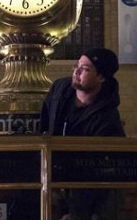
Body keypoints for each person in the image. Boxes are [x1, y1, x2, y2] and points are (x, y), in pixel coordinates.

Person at [40, 47, 125, 219]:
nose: (76, 72)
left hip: (80, 195)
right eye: (76, 65)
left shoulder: (107, 119)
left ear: (101, 77)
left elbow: (99, 173)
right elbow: (44, 125)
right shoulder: (59, 90)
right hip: (49, 181)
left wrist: (76, 212)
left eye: (85, 69)